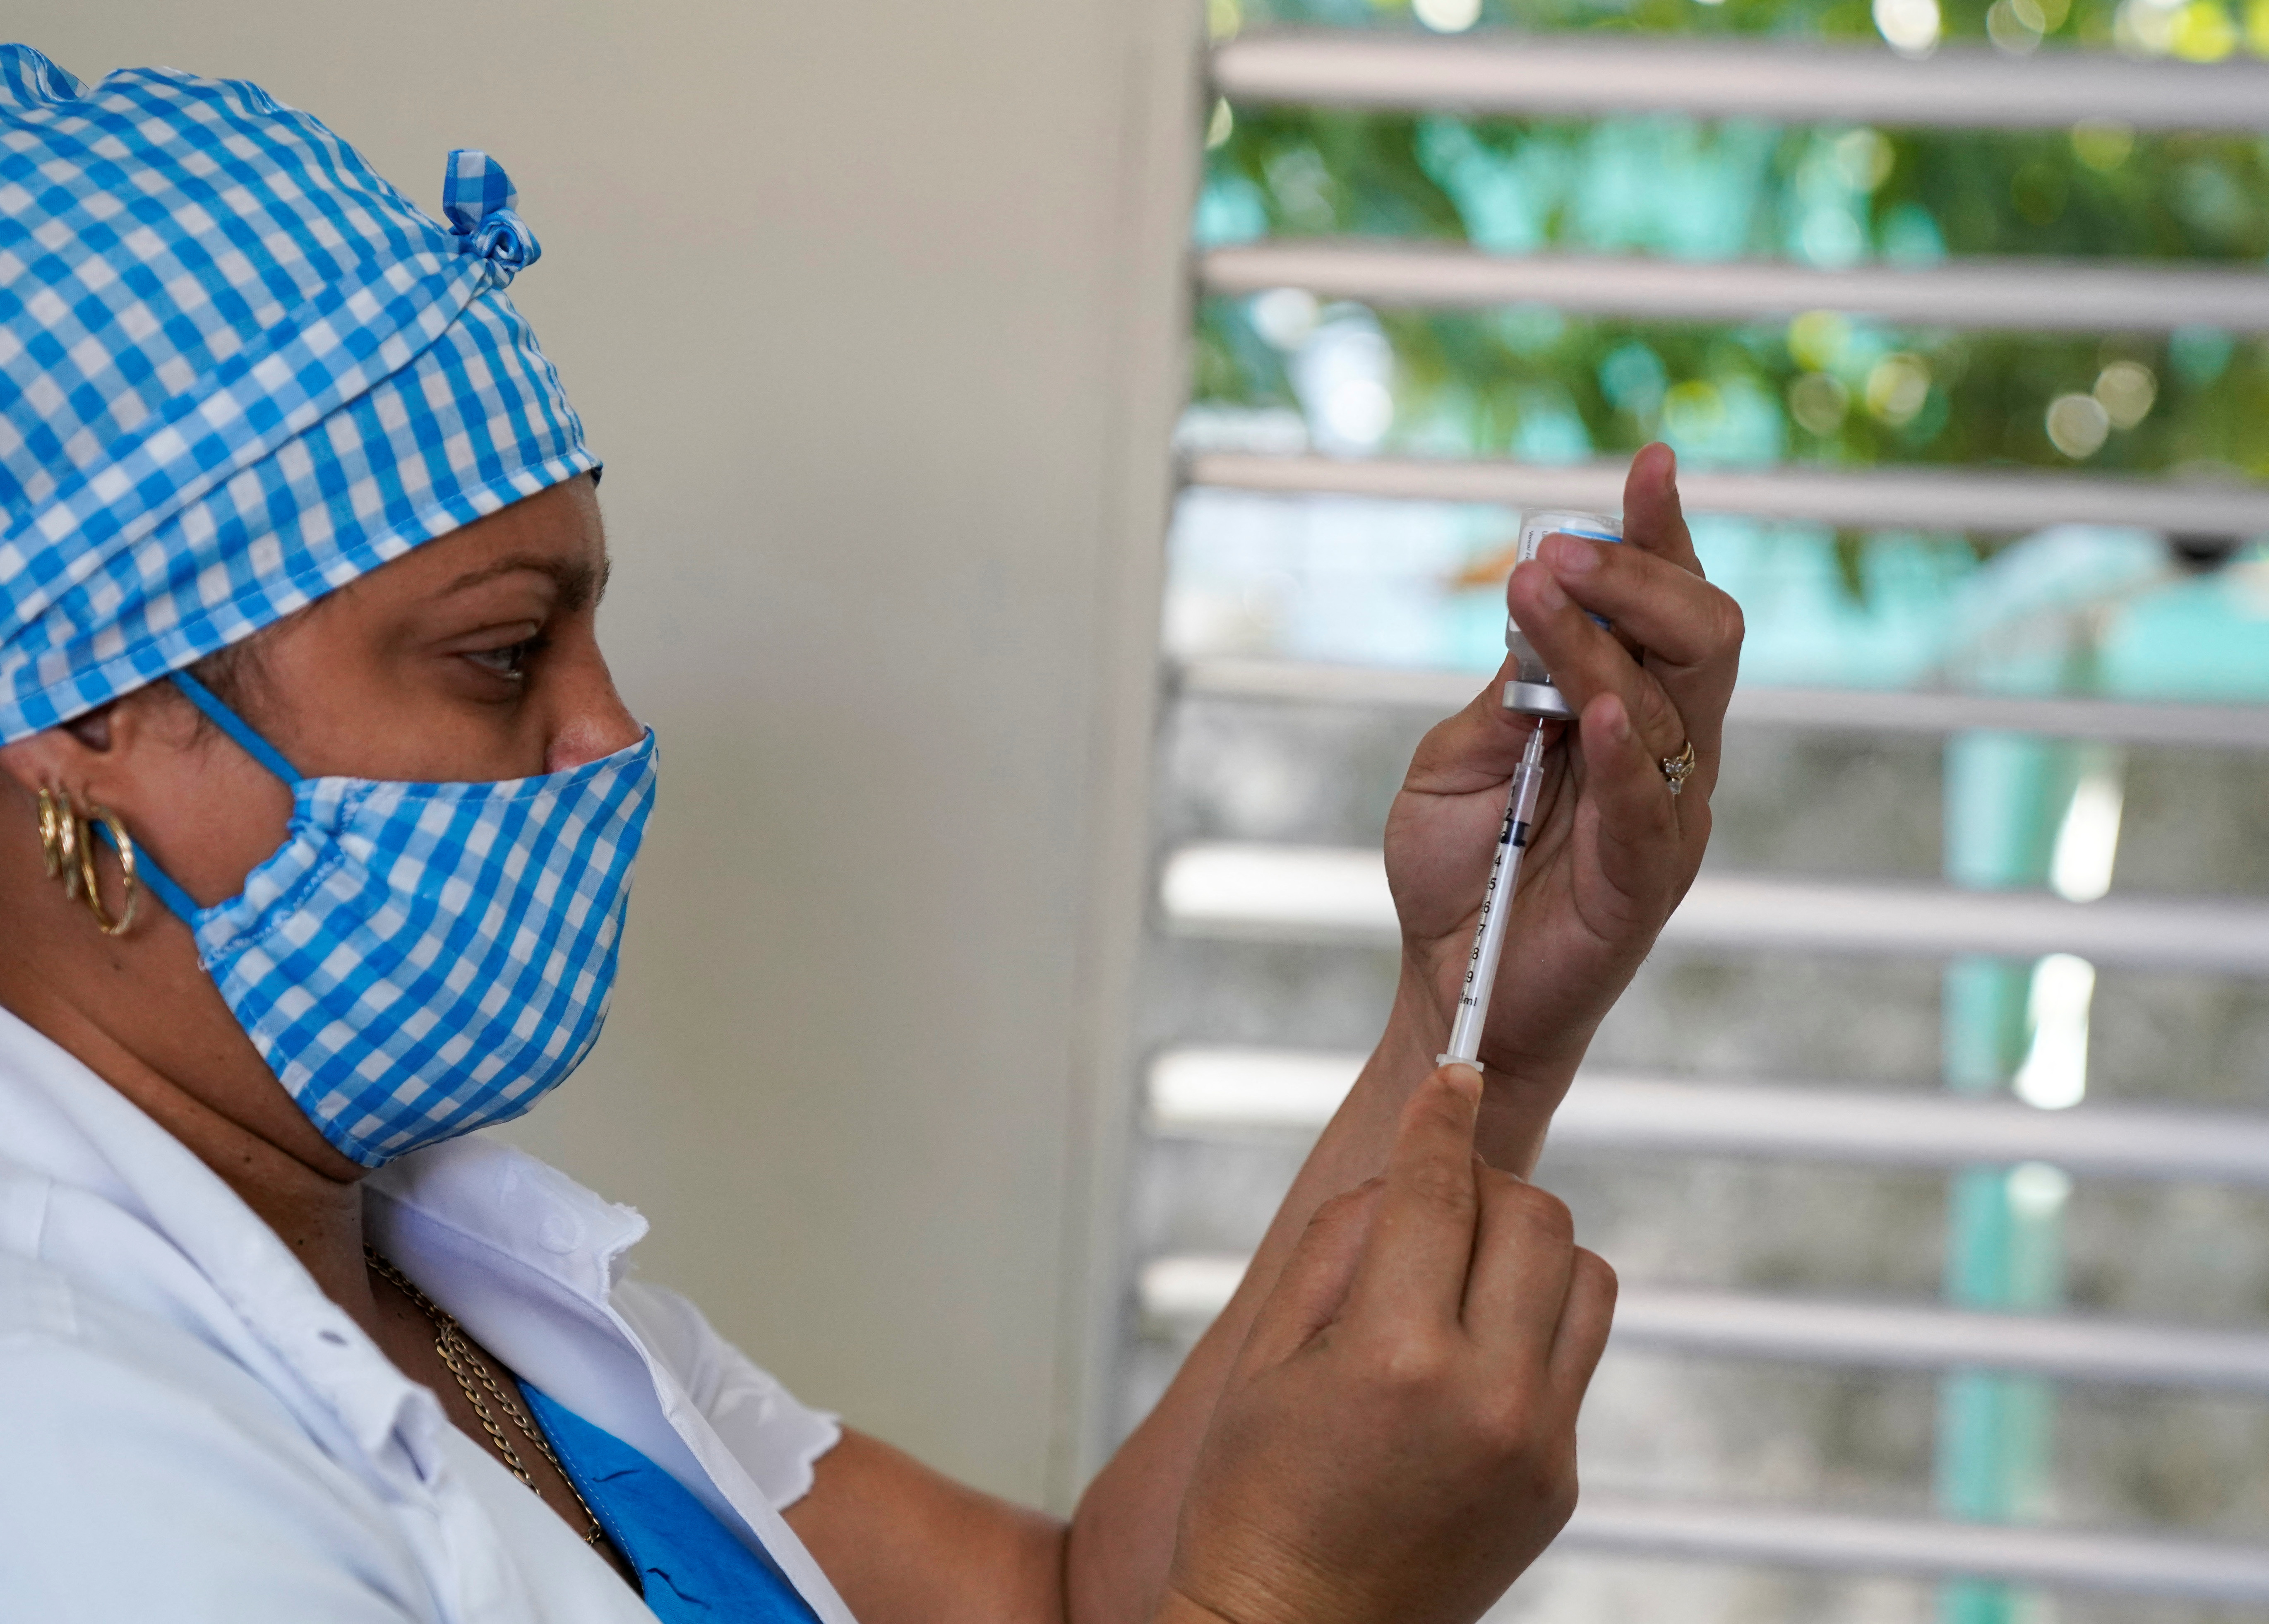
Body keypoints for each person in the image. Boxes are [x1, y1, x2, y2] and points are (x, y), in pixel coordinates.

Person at [0, 43, 1743, 1624]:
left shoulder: (417, 1265)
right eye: (502, 655)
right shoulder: (71, 1455)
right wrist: (1300, 1602)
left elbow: (1061, 1605)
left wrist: (1475, 1007)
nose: (608, 732)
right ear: (91, 723)